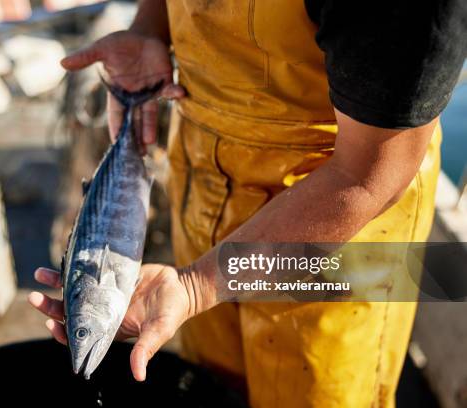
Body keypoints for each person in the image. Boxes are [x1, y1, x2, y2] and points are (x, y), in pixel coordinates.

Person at [29, 1, 467, 406]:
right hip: (202, 185)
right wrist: (150, 27)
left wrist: (197, 286)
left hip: (330, 232)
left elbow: (370, 176)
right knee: (215, 387)